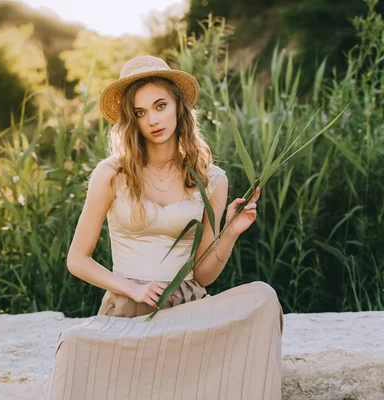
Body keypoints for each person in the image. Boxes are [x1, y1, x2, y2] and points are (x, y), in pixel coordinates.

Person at [48, 55, 283, 400]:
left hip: (188, 309)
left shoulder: (211, 179)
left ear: (178, 106)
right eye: (140, 113)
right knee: (72, 343)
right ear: (131, 121)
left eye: (160, 106)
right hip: (128, 313)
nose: (153, 120)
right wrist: (132, 289)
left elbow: (202, 276)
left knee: (263, 296)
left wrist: (231, 231)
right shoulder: (112, 174)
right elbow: (77, 260)